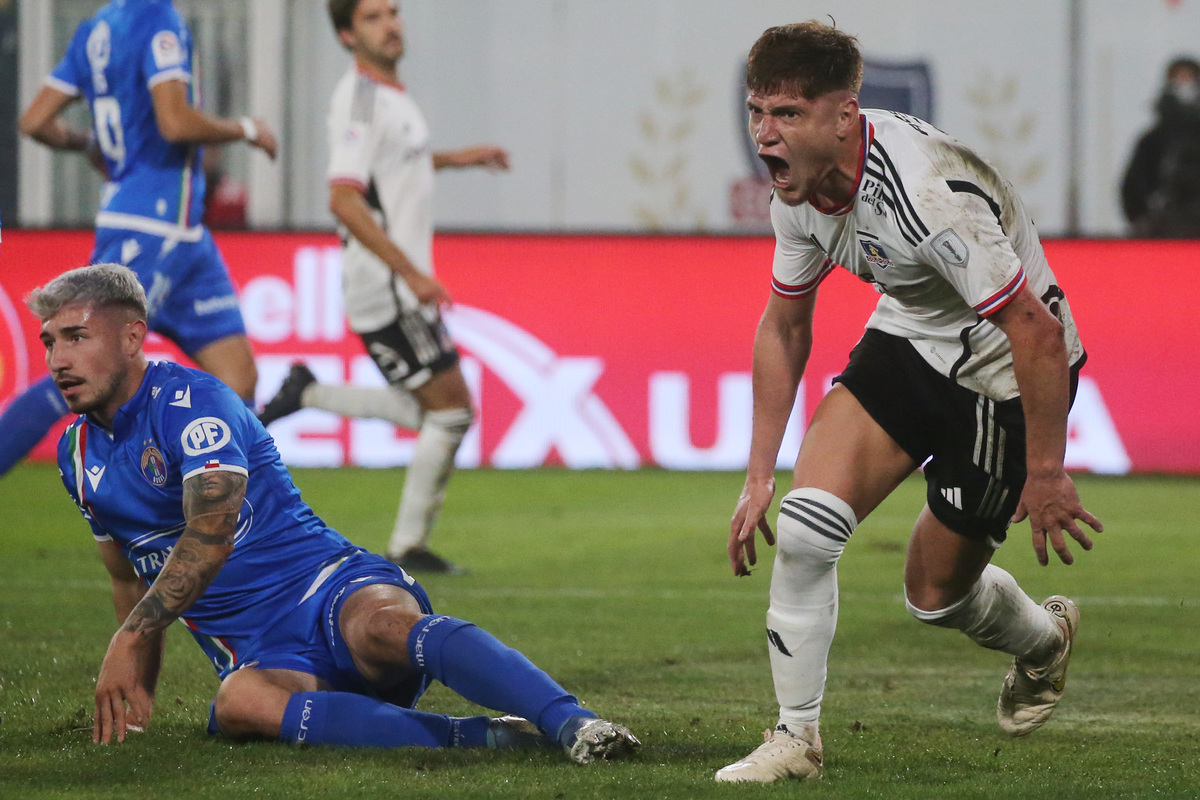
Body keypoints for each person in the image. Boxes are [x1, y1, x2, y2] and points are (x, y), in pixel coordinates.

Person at [29, 262, 640, 762]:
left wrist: (129, 637)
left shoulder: (193, 401)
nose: (59, 359)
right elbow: (126, 577)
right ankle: (487, 737)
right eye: (49, 341)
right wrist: (136, 687)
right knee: (239, 704)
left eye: (77, 337)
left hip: (329, 589)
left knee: (380, 627)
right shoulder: (77, 457)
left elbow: (211, 530)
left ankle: (575, 724)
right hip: (266, 657)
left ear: (132, 337)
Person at [717, 22, 1103, 783]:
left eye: (788, 114)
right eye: (758, 111)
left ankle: (1043, 639)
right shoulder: (796, 195)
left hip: (1000, 372)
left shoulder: (928, 196)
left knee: (935, 595)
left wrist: (1048, 468)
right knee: (803, 530)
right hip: (911, 337)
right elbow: (785, 326)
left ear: (843, 115)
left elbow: (1037, 331)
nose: (766, 133)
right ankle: (797, 741)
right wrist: (759, 473)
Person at [258, 0, 509, 575]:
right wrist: (412, 273)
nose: (391, 23)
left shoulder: (391, 95)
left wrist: (459, 159)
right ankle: (406, 547)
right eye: (372, 16)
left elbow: (396, 167)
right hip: (388, 284)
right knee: (450, 412)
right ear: (347, 34)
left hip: (395, 282)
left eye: (393, 11)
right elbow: (343, 198)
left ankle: (311, 394)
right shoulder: (360, 99)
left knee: (437, 410)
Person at [1, 0, 277, 478]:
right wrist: (245, 128)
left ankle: (217, 519)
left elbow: (35, 121)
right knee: (82, 368)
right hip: (151, 228)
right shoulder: (158, 20)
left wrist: (91, 144)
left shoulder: (95, 30)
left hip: (185, 235)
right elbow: (174, 122)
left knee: (239, 378)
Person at [1120, 57, 1200, 238]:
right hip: (1163, 232)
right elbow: (1133, 187)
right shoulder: (1153, 141)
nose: (1185, 84)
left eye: (1190, 78)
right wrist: (1143, 220)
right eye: (1179, 78)